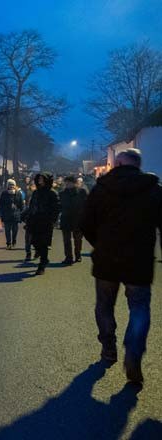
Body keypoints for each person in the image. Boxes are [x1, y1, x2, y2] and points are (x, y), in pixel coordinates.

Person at [81, 149, 162, 384]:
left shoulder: (101, 189)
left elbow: (85, 222)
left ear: (117, 163)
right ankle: (134, 353)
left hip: (106, 260)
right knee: (139, 308)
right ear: (138, 164)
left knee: (104, 305)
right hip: (139, 261)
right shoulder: (154, 190)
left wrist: (100, 244)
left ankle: (108, 348)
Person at [25, 173, 60, 275]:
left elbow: (56, 208)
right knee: (34, 241)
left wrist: (53, 220)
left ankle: (42, 265)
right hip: (35, 221)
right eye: (39, 178)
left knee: (44, 243)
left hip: (46, 222)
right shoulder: (36, 192)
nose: (40, 180)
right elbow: (32, 206)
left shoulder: (52, 193)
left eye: (42, 179)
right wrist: (28, 217)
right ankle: (43, 257)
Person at [59, 175, 88, 265]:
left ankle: (78, 255)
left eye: (69, 182)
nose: (67, 184)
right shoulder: (62, 193)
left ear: (74, 183)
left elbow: (87, 204)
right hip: (66, 218)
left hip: (78, 218)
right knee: (66, 240)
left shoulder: (82, 192)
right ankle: (68, 257)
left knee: (78, 239)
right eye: (66, 182)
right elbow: (60, 205)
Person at [0, 179, 24, 250]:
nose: (11, 186)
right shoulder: (4, 193)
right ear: (7, 186)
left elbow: (21, 205)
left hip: (16, 215)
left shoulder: (18, 193)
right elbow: (0, 204)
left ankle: (14, 241)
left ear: (15, 186)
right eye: (10, 185)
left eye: (13, 185)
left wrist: (22, 213)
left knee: (15, 230)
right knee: (7, 230)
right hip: (6, 215)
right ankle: (8, 243)